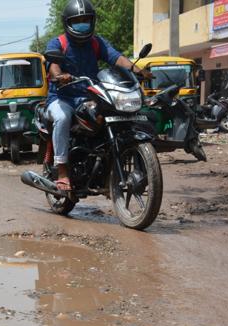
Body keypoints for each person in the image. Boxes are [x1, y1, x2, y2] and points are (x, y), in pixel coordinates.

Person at [46, 0, 153, 191]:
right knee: (62, 118)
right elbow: (53, 66)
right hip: (62, 97)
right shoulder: (58, 43)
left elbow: (116, 57)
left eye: (86, 20)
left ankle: (104, 166)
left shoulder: (97, 42)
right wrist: (60, 76)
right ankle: (62, 170)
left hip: (88, 96)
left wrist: (138, 70)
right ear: (67, 23)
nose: (83, 24)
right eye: (77, 21)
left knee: (110, 116)